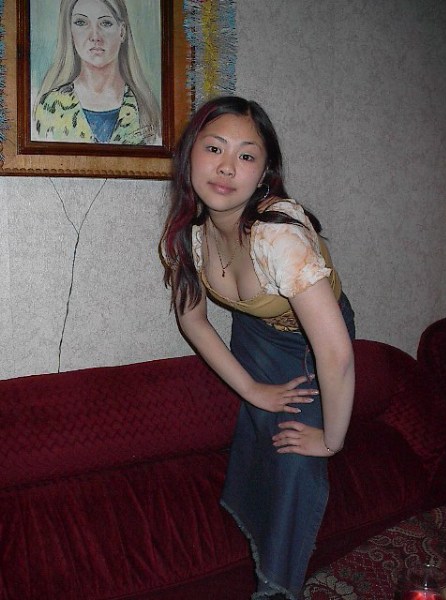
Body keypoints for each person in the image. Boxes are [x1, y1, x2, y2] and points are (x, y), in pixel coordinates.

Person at [160, 96, 355, 600]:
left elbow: (336, 355)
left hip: (312, 342)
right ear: (189, 154)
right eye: (214, 148)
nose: (227, 167)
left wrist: (331, 441)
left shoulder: (278, 237)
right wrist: (250, 389)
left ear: (265, 172)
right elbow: (192, 319)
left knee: (295, 459)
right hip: (255, 329)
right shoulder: (187, 231)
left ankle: (276, 589)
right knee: (258, 432)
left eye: (246, 155)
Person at [33, 0, 161, 144]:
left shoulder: (145, 109)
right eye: (81, 22)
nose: (95, 36)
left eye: (106, 23)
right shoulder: (50, 107)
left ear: (122, 32)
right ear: (70, 32)